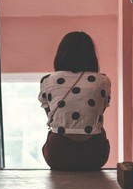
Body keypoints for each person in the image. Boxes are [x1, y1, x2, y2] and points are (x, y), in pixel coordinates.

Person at [38, 31, 111, 171]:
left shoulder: (47, 81)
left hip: (58, 153)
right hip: (95, 154)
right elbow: (99, 111)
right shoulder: (103, 81)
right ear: (91, 55)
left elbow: (51, 114)